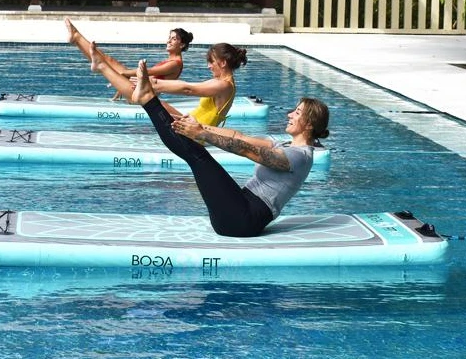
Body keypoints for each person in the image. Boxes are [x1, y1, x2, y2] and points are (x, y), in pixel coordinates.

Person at [130, 59, 328, 237]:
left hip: (244, 220)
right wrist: (199, 126)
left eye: (297, 112)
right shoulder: (285, 145)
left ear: (309, 124)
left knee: (198, 155)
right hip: (240, 207)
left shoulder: (300, 157)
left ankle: (148, 100)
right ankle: (148, 100)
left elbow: (247, 150)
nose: (290, 114)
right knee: (194, 150)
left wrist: (202, 134)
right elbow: (238, 136)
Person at [73, 20, 248, 126]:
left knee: (146, 96)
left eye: (212, 62)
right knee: (157, 102)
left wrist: (150, 83)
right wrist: (150, 83)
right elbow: (190, 87)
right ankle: (84, 47)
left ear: (223, 63)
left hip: (195, 135)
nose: (209, 67)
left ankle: (99, 64)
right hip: (190, 124)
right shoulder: (222, 82)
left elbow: (189, 89)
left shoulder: (223, 85)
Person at [65, 18, 193, 100]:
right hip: (138, 88)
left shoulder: (175, 64)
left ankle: (77, 38)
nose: (169, 41)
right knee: (107, 60)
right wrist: (123, 78)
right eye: (169, 37)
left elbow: (147, 72)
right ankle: (76, 38)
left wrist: (121, 75)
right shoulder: (172, 61)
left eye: (174, 39)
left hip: (141, 96)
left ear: (181, 45)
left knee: (105, 63)